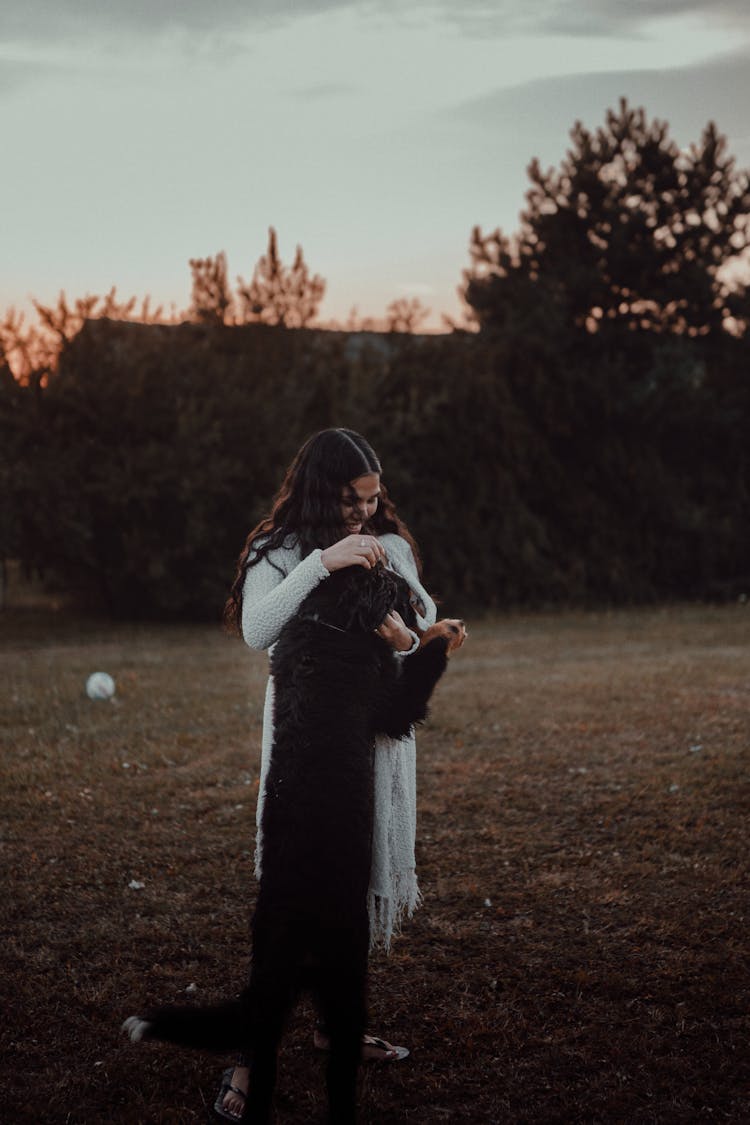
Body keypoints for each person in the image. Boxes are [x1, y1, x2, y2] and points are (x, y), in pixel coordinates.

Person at [216, 427, 440, 1121]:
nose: (365, 513)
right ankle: (251, 1056)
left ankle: (328, 1024)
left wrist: (407, 633)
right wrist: (322, 561)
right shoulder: (278, 549)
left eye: (372, 499)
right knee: (291, 893)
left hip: (372, 730)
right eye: (352, 500)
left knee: (350, 883)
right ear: (321, 489)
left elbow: (424, 613)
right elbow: (259, 629)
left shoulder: (389, 542)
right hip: (308, 733)